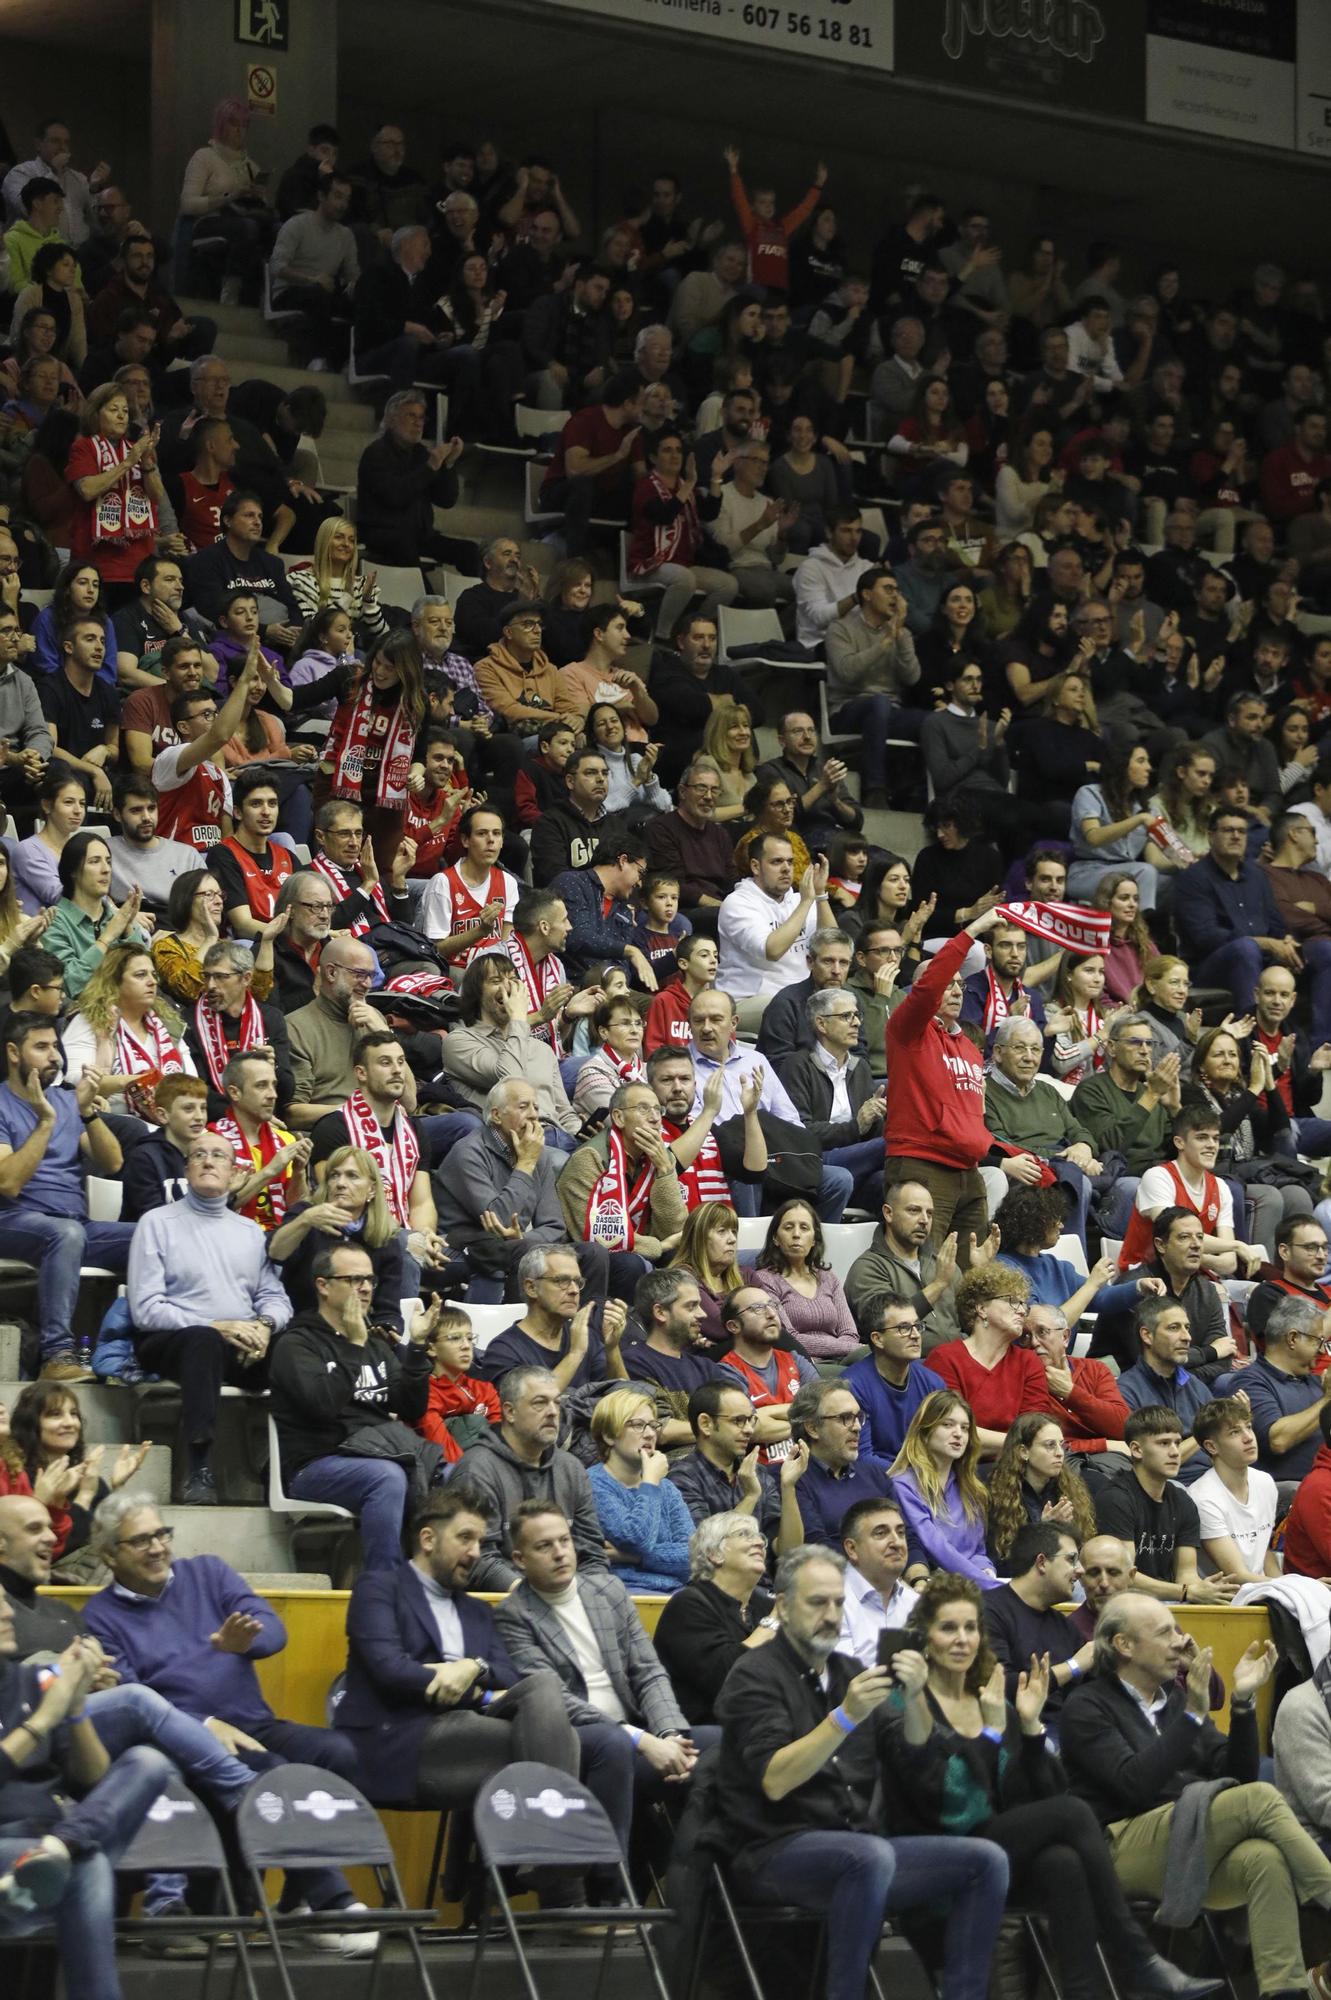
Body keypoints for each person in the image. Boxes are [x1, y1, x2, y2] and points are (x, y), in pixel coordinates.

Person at [882, 1570, 1222, 2000]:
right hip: (935, 1848)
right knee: (1074, 1813)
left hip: (996, 1845)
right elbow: (941, 1799)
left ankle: (1089, 1992)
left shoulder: (992, 1699)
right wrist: (989, 1735)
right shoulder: (904, 1704)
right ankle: (1137, 1958)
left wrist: (1029, 1728)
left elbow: (1036, 1796)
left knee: (1063, 1862)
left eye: (971, 1627)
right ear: (923, 1637)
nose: (962, 1639)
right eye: (948, 1628)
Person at [711, 1542, 1009, 2000]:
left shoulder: (849, 1669)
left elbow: (917, 1761)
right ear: (784, 1607)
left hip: (856, 1845)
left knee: (984, 1860)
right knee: (869, 1856)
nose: (831, 1614)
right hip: (773, 1849)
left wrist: (913, 1700)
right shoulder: (754, 1674)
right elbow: (774, 1780)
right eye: (817, 1603)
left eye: (837, 1602)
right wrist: (843, 1717)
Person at [1060, 1591, 1331, 2000]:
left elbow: (1235, 1774)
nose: (1178, 1640)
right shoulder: (1086, 1706)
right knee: (1258, 1799)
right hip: (1116, 1849)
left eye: (1176, 1628)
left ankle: (1288, 1993)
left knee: (1266, 1859)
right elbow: (1134, 1785)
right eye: (1164, 1632)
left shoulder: (1173, 1702)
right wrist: (1191, 1716)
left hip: (1186, 1834)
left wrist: (1241, 1702)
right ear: (1124, 1645)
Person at [83, 1493, 367, 1824]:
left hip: (256, 1724)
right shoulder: (99, 1616)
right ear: (109, 1555)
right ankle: (276, 1872)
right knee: (271, 1776)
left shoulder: (209, 1572)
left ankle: (307, 1869)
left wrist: (245, 1644)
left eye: (161, 1534)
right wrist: (203, 1726)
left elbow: (275, 1632)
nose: (158, 1548)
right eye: (141, 1541)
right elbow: (133, 1702)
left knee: (339, 1752)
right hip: (184, 1742)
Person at [338, 1482, 579, 1832]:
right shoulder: (378, 1588)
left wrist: (470, 1667)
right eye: (465, 1538)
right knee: (562, 1744)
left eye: (480, 1541)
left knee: (542, 1688)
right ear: (428, 1540)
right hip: (396, 1740)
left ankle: (542, 1856)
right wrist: (465, 1688)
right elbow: (388, 1669)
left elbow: (510, 1676)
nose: (476, 1552)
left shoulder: (477, 1610)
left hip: (464, 1732)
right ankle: (554, 1855)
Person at [495, 1502, 707, 1870]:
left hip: (645, 1741)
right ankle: (611, 1894)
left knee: (723, 1745)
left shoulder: (608, 1590)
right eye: (544, 1546)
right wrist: (641, 1741)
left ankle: (706, 1889)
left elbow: (648, 1671)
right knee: (612, 1747)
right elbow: (557, 1700)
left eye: (565, 1540)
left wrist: (670, 1734)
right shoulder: (514, 1615)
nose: (561, 1552)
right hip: (582, 1745)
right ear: (519, 1559)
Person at [0, 1592, 171, 2000]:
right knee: (88, 1864)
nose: (8, 1612)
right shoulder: (40, 1694)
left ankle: (59, 1849)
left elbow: (91, 1782)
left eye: (6, 1601)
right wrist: (44, 1718)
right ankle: (59, 1853)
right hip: (6, 1847)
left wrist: (75, 1708)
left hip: (51, 1838)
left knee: (148, 1762)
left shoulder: (28, 1681)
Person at [126, 1129, 291, 1503]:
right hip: (173, 1341)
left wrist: (264, 1328)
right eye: (198, 1154)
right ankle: (199, 1469)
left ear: (235, 1172)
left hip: (240, 1343)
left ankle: (288, 1464)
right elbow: (146, 1309)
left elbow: (274, 1297)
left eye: (218, 1155)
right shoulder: (157, 1222)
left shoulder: (249, 1231)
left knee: (296, 1346)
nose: (207, 1161)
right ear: (186, 1169)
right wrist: (216, 1326)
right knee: (204, 1342)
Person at [267, 1240, 442, 1570]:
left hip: (376, 1452)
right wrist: (353, 1346)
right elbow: (323, 1407)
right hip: (316, 1462)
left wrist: (416, 1347)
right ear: (323, 1286)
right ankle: (385, 1586)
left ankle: (441, 1583)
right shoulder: (296, 1344)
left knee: (452, 1474)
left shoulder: (375, 1345)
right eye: (353, 1280)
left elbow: (411, 1408)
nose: (364, 1289)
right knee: (387, 1477)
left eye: (370, 1281)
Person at [0, 1011, 130, 1381]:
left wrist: (87, 1112)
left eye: (55, 1046)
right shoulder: (1, 1104)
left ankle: (132, 1348)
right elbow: (8, 1183)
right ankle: (56, 1354)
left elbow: (113, 1162)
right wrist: (45, 1123)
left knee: (156, 1234)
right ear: (14, 1052)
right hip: (13, 1220)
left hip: (76, 1226)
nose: (54, 1056)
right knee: (65, 1234)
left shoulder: (67, 1100)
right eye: (41, 1047)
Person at [884, 909, 1008, 1260]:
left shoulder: (968, 1047)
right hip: (923, 1163)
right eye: (945, 983)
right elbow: (928, 989)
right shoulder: (908, 1030)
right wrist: (974, 931)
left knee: (971, 1271)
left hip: (967, 1169)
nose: (954, 990)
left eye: (959, 984)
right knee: (924, 1265)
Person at [452, 1366, 607, 1588]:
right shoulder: (477, 1470)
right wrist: (537, 1598)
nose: (553, 1412)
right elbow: (478, 1558)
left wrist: (587, 1595)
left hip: (567, 1596)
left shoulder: (571, 1468)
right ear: (510, 1412)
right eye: (540, 1403)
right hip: (504, 1602)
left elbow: (592, 1554)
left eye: (556, 1402)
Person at [1174, 806, 1319, 1023]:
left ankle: (1320, 1042)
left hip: (1262, 959)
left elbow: (1276, 922)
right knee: (1246, 949)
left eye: (1241, 831)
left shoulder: (1257, 875)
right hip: (1211, 966)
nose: (1236, 836)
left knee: (1322, 952)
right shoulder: (1194, 878)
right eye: (1228, 830)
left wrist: (1286, 940)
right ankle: (1250, 1038)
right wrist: (1263, 943)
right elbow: (1205, 936)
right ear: (1211, 836)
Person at [1093, 1407, 1237, 1604]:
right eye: (1163, 1443)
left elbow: (1186, 1574)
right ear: (1136, 1450)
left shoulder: (1182, 1501)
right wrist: (1187, 1592)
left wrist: (1207, 1591)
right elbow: (1123, 1577)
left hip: (1169, 1601)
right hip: (1123, 1605)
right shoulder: (1115, 1499)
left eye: (1177, 1443)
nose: (1174, 1452)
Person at [436, 952, 580, 1145]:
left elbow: (563, 1111)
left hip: (559, 1138)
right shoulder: (459, 1041)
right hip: (515, 1143)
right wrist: (519, 1019)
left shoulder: (540, 1049)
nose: (508, 986)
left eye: (513, 979)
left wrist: (582, 1137)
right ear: (476, 994)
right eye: (496, 980)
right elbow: (510, 1078)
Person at [557, 1079, 689, 1284]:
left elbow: (675, 1230)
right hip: (588, 1258)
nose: (655, 1118)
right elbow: (598, 1236)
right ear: (618, 1117)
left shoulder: (662, 1158)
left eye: (657, 1109)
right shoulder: (590, 1158)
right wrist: (659, 1247)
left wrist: (665, 1171)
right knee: (630, 1264)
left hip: (640, 1248)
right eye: (643, 1109)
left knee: (682, 1258)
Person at [653, 1511, 775, 1724]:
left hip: (761, 1722)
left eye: (760, 1537)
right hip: (702, 1731)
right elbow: (728, 1679)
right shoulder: (688, 1606)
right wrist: (774, 1622)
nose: (759, 1543)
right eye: (744, 1534)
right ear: (714, 1554)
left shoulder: (766, 1606)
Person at [930, 1263, 1059, 1452]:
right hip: (961, 1465)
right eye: (1012, 1301)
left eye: (1024, 1304)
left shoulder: (1028, 1362)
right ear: (981, 1308)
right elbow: (953, 1429)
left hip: (1016, 1464)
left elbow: (1034, 1427)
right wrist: (1018, 1443)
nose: (1022, 1311)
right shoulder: (945, 1359)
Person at [982, 1522, 1094, 1720]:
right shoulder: (987, 1611)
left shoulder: (1065, 1626)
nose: (1081, 1570)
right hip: (1017, 1732)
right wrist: (1074, 1665)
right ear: (1042, 1562)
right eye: (1071, 1559)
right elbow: (999, 1684)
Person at [587, 1388, 694, 1593]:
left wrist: (633, 1557)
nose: (650, 1433)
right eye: (638, 1425)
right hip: (624, 1592)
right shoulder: (594, 1483)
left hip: (677, 1592)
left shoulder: (666, 1488)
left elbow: (693, 1558)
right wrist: (650, 1482)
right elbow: (637, 1538)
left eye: (653, 1425)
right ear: (609, 1435)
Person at [890, 1390, 999, 1588]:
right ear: (924, 1432)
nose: (958, 1433)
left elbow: (977, 1551)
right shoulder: (903, 1485)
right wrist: (989, 1586)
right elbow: (935, 1547)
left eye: (965, 1428)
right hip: (928, 1587)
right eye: (947, 1425)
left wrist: (986, 1571)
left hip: (971, 1585)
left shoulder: (971, 1487)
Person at [354, 390, 467, 572]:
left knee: (468, 551)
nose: (418, 423)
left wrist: (449, 464)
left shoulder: (421, 454)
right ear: (391, 420)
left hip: (419, 535)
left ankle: (479, 598)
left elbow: (446, 500)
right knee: (403, 544)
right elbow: (395, 496)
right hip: (382, 531)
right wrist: (429, 467)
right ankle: (423, 595)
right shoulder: (376, 453)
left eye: (421, 418)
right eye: (411, 416)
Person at [781, 1379, 898, 1551]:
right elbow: (816, 1546)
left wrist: (917, 1576)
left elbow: (907, 1537)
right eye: (845, 1418)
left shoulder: (876, 1476)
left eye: (858, 1417)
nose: (857, 1427)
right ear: (812, 1428)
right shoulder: (791, 1480)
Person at [1116, 1297, 1214, 1481]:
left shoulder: (1196, 1387)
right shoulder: (1126, 1391)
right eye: (1174, 1328)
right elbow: (1150, 1461)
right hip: (1171, 1487)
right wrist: (1207, 1430)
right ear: (1147, 1335)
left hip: (1214, 1479)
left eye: (1187, 1327)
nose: (1186, 1337)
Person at [1241, 1296, 1331, 1485]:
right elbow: (1277, 1440)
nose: (1323, 1351)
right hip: (1286, 1494)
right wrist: (1327, 1400)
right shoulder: (1250, 1381)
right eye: (1318, 1341)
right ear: (1292, 1338)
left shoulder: (1315, 1383)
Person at [1190, 1396, 1280, 1584]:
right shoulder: (1202, 1498)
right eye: (1234, 1432)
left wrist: (1287, 1587)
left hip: (1263, 1588)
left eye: (1248, 1427)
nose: (1248, 1438)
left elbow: (1264, 1552)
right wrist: (1295, 1586)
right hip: (1227, 1600)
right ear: (1212, 1446)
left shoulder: (1265, 1482)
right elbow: (1236, 1576)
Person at [644, 759, 738, 919]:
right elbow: (674, 884)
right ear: (682, 792)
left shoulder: (720, 833)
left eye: (714, 790)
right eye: (701, 788)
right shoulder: (661, 828)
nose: (708, 796)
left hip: (720, 907)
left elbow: (732, 881)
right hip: (682, 910)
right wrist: (722, 907)